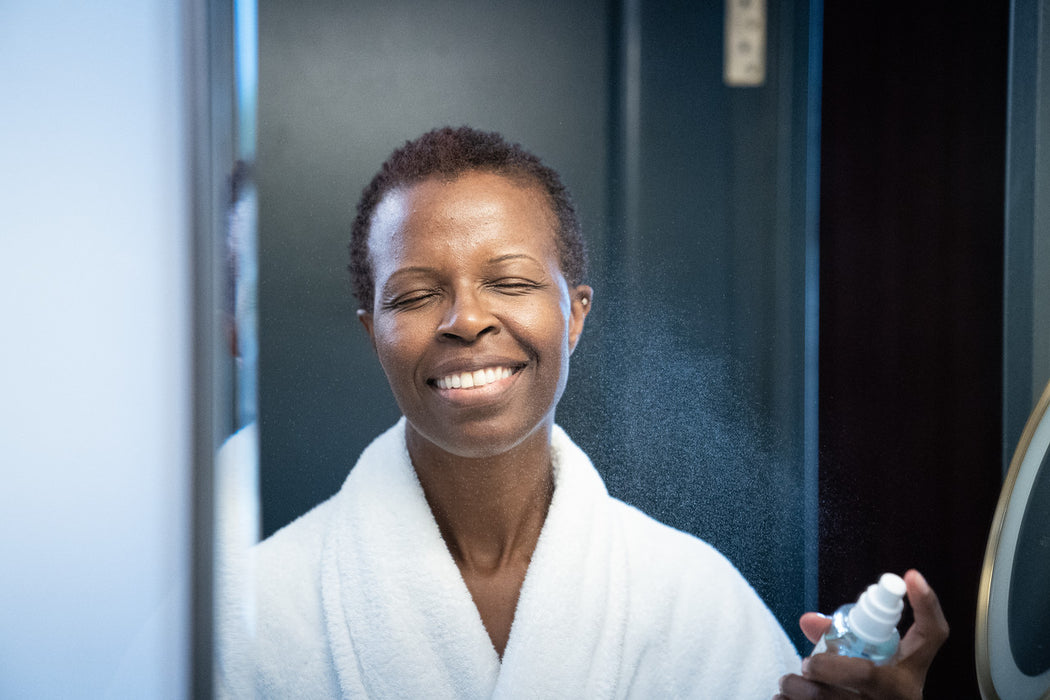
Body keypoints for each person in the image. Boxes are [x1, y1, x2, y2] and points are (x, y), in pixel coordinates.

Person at [219, 126, 947, 698]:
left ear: (574, 317)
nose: (466, 320)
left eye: (509, 282)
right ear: (371, 335)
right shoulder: (258, 614)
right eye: (413, 296)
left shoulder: (693, 604)